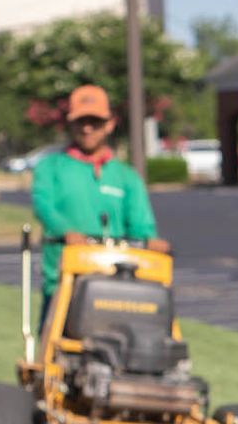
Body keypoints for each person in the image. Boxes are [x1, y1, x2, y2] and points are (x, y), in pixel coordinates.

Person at [30, 84, 169, 311]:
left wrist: (150, 241)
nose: (87, 129)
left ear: (109, 124)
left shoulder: (126, 177)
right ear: (70, 124)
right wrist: (66, 231)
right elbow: (43, 205)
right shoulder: (51, 167)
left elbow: (140, 224)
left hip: (115, 284)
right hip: (64, 280)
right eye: (80, 122)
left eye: (94, 123)